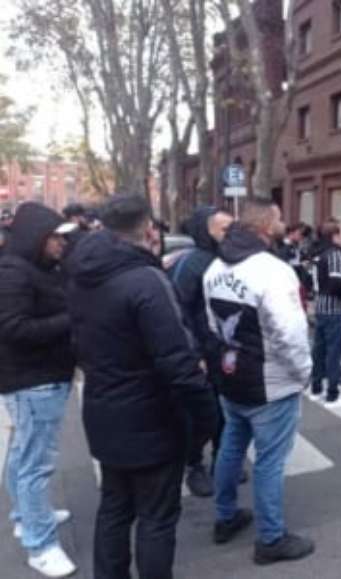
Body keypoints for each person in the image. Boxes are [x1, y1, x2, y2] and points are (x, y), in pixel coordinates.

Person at [66, 195, 218, 579]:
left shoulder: (83, 275)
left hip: (103, 411)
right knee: (156, 518)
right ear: (149, 227)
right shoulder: (146, 280)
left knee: (115, 508)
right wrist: (208, 419)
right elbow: (180, 362)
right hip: (151, 417)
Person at [203, 199, 315, 565]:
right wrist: (304, 373)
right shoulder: (273, 271)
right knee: (269, 460)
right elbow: (291, 333)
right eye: (279, 217)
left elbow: (212, 324)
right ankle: (270, 538)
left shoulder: (215, 266)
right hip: (269, 382)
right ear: (267, 226)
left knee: (232, 446)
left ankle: (225, 516)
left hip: (231, 374)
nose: (284, 222)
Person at [0, 202, 77, 578]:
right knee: (35, 464)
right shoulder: (14, 274)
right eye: (56, 239)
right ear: (37, 238)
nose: (62, 245)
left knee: (22, 454)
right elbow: (13, 329)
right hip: (32, 380)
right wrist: (70, 320)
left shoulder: (39, 269)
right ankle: (40, 545)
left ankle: (26, 515)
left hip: (40, 377)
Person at [168, 206, 234, 497]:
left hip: (228, 352)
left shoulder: (231, 259)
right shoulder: (190, 265)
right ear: (205, 231)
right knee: (201, 414)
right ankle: (193, 464)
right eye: (223, 229)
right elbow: (178, 313)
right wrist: (194, 356)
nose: (230, 234)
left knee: (227, 411)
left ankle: (223, 460)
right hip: (202, 355)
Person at [310, 221, 341, 407]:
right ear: (335, 236)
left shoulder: (318, 254)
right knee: (333, 352)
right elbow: (336, 283)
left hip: (320, 306)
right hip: (334, 308)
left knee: (319, 350)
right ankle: (332, 394)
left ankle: (316, 387)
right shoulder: (335, 255)